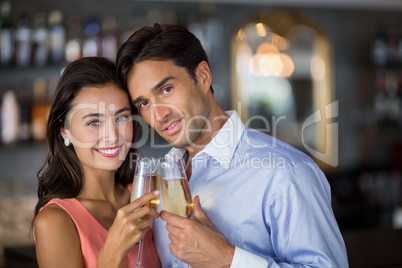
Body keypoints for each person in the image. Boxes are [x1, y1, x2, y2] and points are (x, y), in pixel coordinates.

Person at [116, 23, 348, 267]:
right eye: (143, 104)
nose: (159, 114)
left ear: (203, 76)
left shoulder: (286, 172)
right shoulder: (158, 179)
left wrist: (228, 259)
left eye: (166, 89)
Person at [33, 57, 161, 268]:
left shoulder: (145, 197)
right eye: (94, 122)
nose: (112, 136)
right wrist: (113, 252)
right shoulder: (55, 221)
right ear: (64, 131)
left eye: (121, 118)